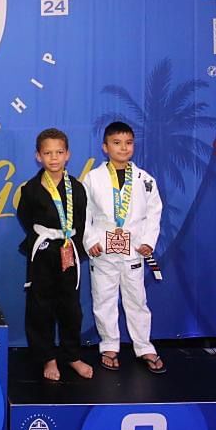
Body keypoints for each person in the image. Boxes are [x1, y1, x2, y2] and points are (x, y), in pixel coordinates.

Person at [83, 121, 166, 374]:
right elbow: (84, 214)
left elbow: (154, 213)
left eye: (128, 143)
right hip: (103, 249)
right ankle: (109, 344)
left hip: (133, 249)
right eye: (117, 143)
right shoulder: (93, 178)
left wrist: (147, 242)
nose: (124, 148)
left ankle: (144, 345)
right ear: (105, 147)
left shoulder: (144, 179)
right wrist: (90, 241)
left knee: (137, 299)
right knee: (104, 299)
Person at [17, 128, 94, 381]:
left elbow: (82, 222)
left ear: (68, 155)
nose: (53, 158)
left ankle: (72, 355)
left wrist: (74, 248)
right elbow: (25, 218)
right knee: (41, 307)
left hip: (68, 250)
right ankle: (47, 357)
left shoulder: (77, 188)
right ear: (38, 156)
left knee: (71, 308)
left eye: (59, 152)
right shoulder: (30, 189)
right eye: (47, 153)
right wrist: (42, 240)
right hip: (42, 253)